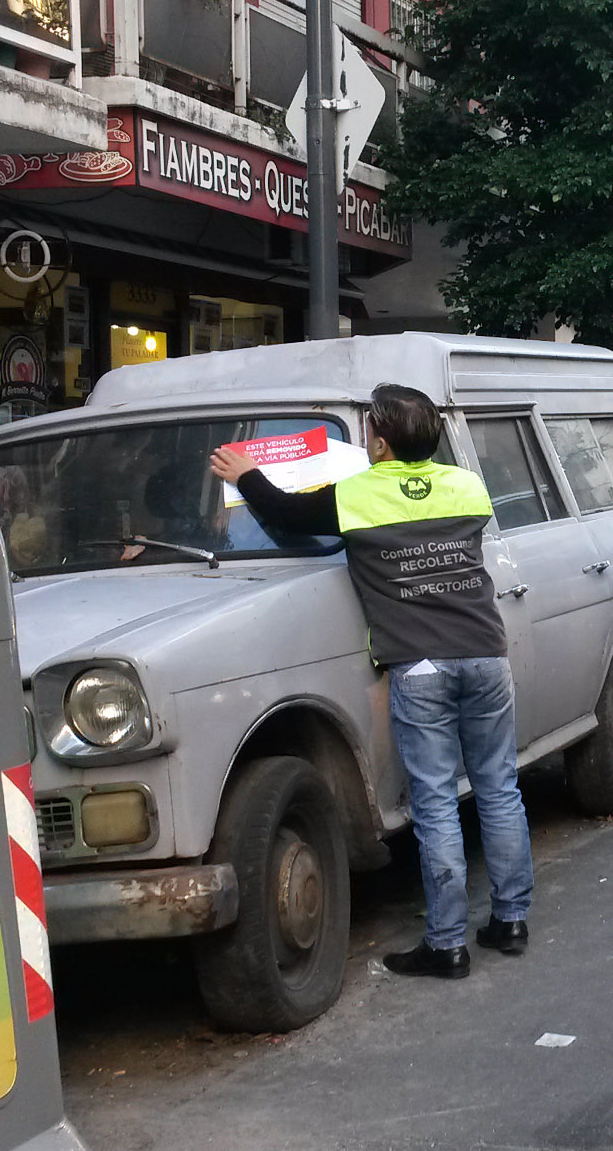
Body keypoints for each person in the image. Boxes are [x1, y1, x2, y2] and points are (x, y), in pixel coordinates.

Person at [209, 385, 532, 980]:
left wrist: (249, 472)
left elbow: (286, 515)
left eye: (368, 431)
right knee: (498, 787)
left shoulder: (355, 494)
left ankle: (447, 945)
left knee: (435, 802)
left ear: (379, 441)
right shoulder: (467, 486)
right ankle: (510, 920)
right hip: (487, 653)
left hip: (421, 664)